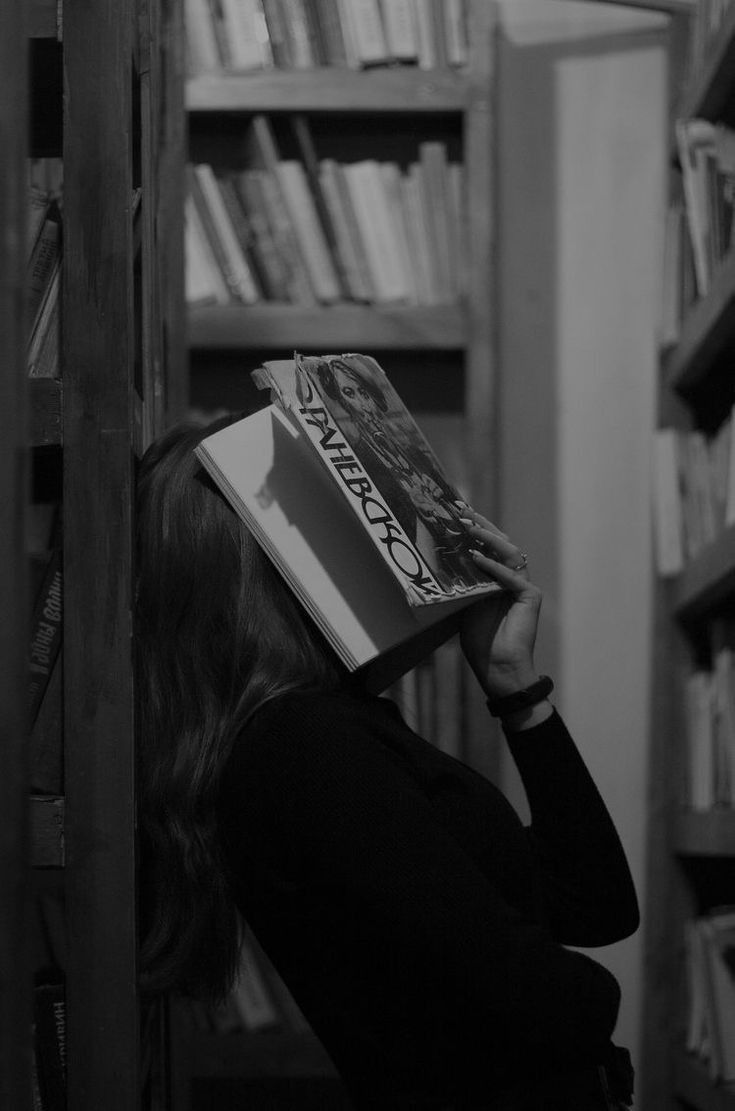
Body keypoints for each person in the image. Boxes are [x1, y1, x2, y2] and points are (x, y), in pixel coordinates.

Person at [135, 417, 639, 1111]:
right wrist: (592, 992)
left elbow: (594, 903)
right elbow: (542, 1001)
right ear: (271, 564)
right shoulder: (303, 748)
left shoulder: (327, 727)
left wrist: (514, 685)